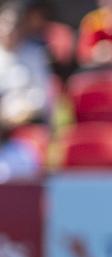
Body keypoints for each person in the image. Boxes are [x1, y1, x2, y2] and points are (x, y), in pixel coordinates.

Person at [0, 0, 50, 180]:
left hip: (25, 129)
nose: (9, 30)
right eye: (5, 24)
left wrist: (17, 114)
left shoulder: (35, 55)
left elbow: (41, 98)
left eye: (14, 25)